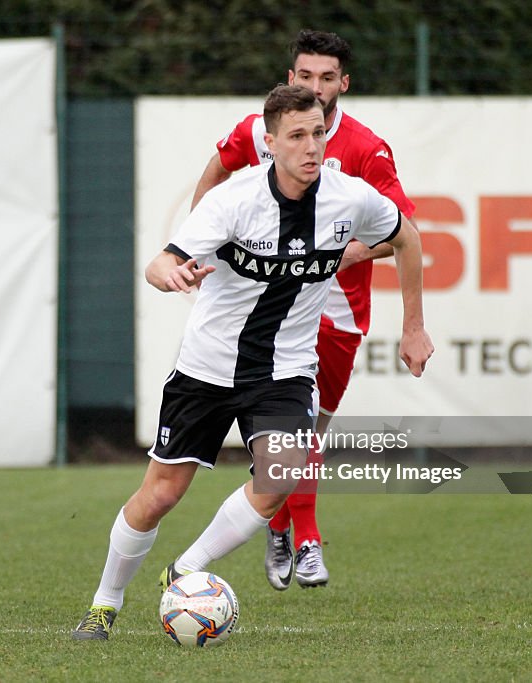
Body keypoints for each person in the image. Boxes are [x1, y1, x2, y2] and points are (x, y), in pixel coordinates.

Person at [72, 85, 432, 640]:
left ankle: (186, 570)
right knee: (160, 495)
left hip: (285, 369)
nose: (312, 146)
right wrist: (171, 274)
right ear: (269, 144)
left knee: (281, 474)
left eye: (318, 133)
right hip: (207, 367)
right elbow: (160, 262)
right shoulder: (234, 201)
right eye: (297, 136)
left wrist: (413, 327)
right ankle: (104, 603)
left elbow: (408, 239)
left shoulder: (350, 198)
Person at [191, 29, 419, 590]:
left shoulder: (366, 149)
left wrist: (347, 256)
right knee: (292, 440)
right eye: (304, 75)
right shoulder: (265, 129)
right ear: (291, 78)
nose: (314, 86)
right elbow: (218, 169)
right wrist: (195, 244)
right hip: (272, 309)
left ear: (344, 83)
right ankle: (306, 539)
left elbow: (405, 232)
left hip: (339, 310)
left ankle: (275, 521)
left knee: (308, 431)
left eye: (326, 77)